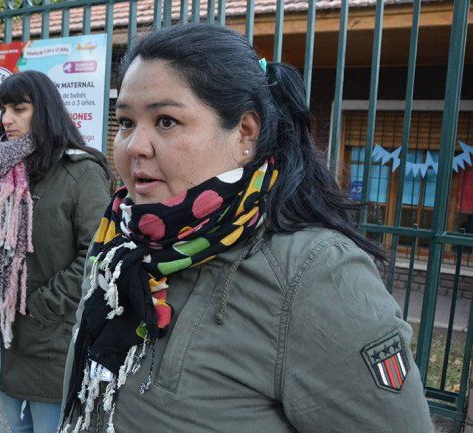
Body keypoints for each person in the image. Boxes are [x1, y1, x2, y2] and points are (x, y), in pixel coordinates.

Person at [60, 24, 435, 433]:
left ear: (245, 133)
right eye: (126, 122)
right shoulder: (117, 242)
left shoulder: (314, 272)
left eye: (166, 121)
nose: (134, 145)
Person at [0, 70, 112, 433]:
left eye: (19, 109)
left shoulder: (81, 172)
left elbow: (97, 255)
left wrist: (40, 306)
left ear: (44, 110)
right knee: (17, 427)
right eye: (3, 110)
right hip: (2, 334)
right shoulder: (4, 171)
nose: (6, 119)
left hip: (51, 338)